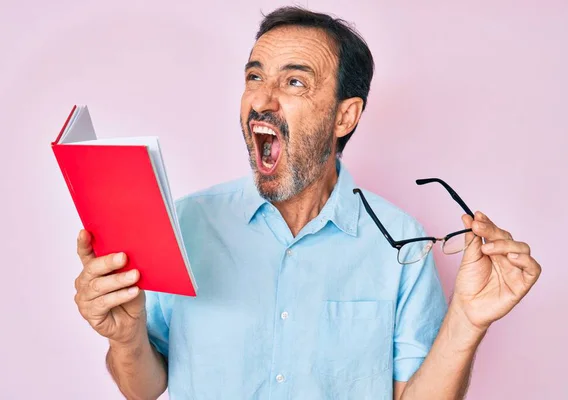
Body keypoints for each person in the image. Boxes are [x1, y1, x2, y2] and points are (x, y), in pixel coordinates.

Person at [73, 6, 541, 400]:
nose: (263, 99)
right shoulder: (184, 224)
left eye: (295, 82)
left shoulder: (402, 247)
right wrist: (126, 337)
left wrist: (468, 319)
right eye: (254, 76)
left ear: (344, 116)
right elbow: (145, 388)